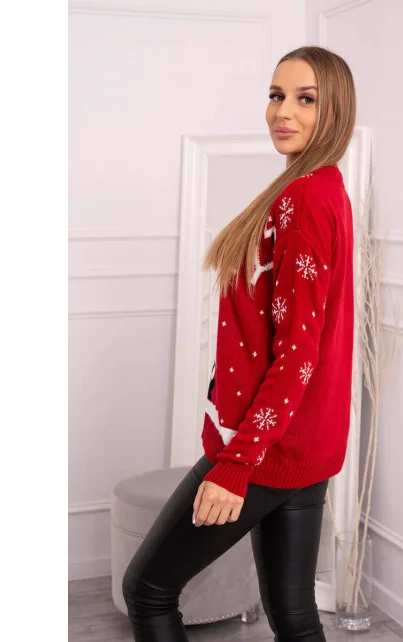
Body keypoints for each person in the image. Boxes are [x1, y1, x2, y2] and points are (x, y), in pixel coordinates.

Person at [122, 45, 357, 642]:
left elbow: (297, 353)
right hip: (305, 441)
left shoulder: (304, 199)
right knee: (294, 615)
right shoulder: (322, 186)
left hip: (266, 448)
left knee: (147, 591)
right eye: (276, 96)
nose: (283, 111)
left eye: (306, 99)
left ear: (336, 109)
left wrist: (235, 464)